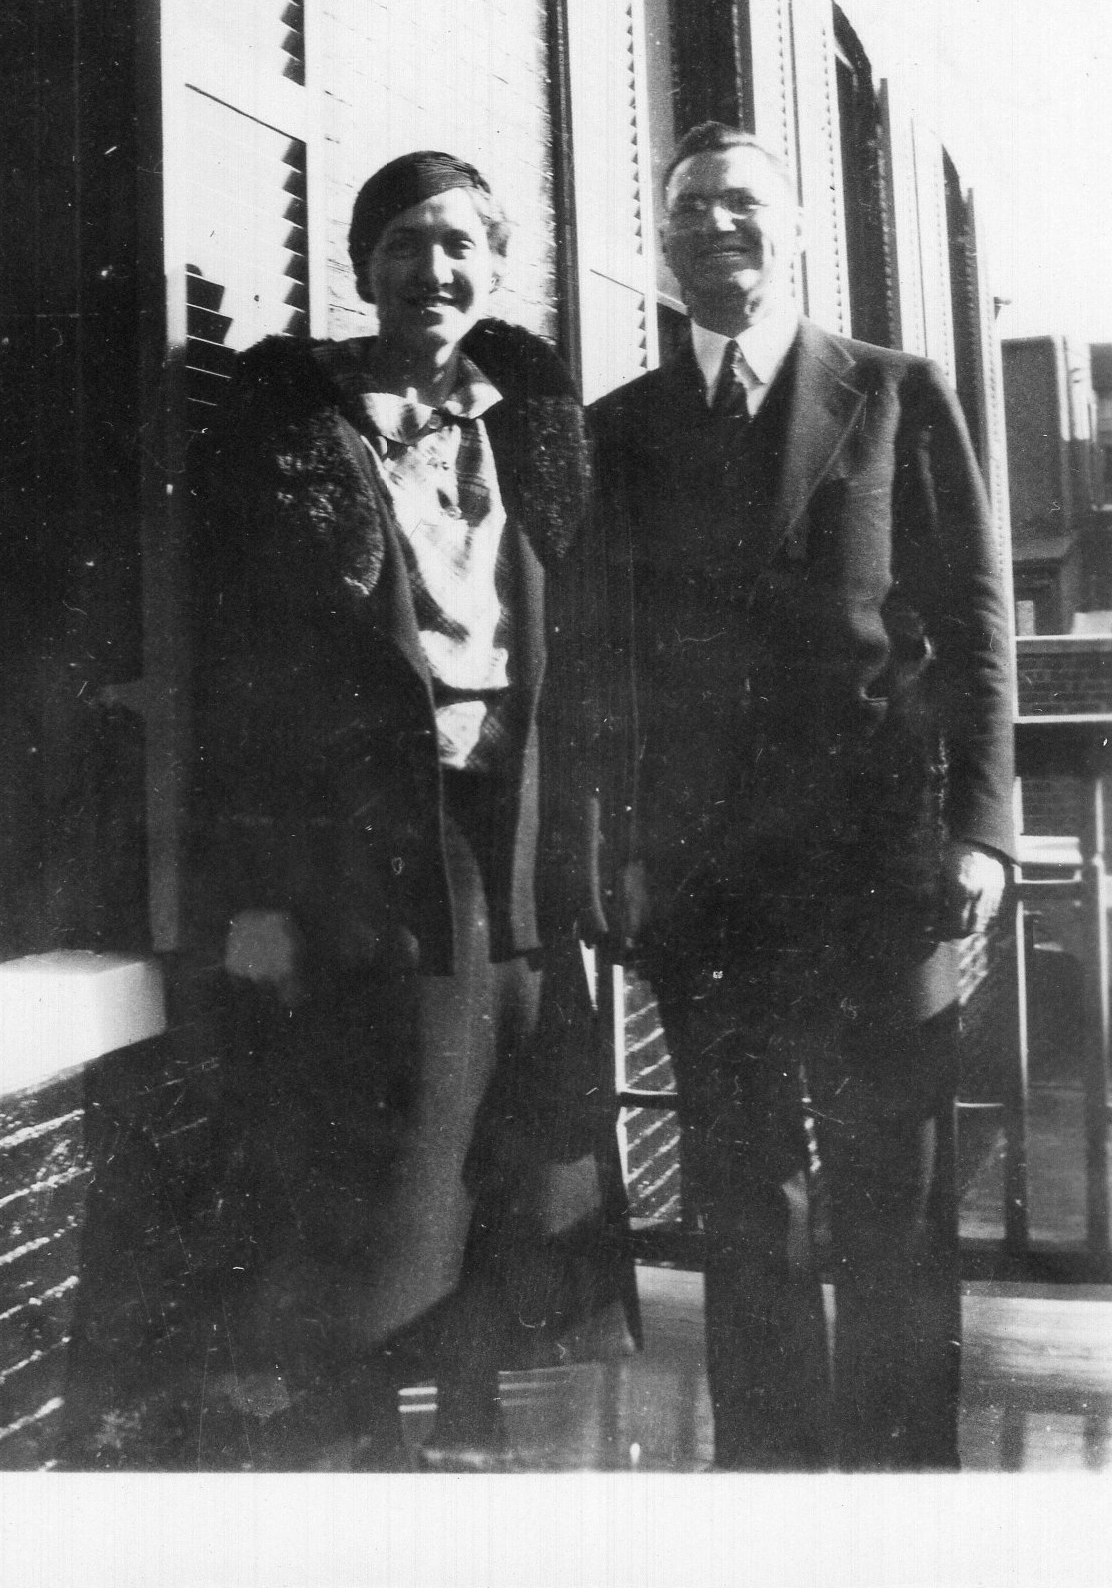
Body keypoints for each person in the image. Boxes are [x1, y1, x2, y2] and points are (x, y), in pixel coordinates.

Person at [583, 121, 1015, 1470]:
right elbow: (602, 665)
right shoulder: (622, 430)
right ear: (663, 247)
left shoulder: (894, 392)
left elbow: (977, 624)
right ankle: (772, 1489)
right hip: (707, 888)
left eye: (743, 204)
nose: (718, 227)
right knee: (746, 1201)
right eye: (690, 210)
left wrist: (982, 830)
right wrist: (618, 854)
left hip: (882, 867)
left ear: (799, 230)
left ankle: (904, 1492)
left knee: (896, 1195)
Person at [189, 151, 625, 1469]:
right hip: (372, 835)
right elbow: (236, 679)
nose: (430, 271)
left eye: (457, 246)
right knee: (396, 1135)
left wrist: (592, 866)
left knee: (513, 1129)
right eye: (402, 245)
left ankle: (476, 1414)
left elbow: (585, 657)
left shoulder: (528, 429)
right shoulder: (300, 427)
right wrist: (252, 892)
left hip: (517, 823)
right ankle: (370, 1429)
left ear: (494, 268)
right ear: (361, 266)